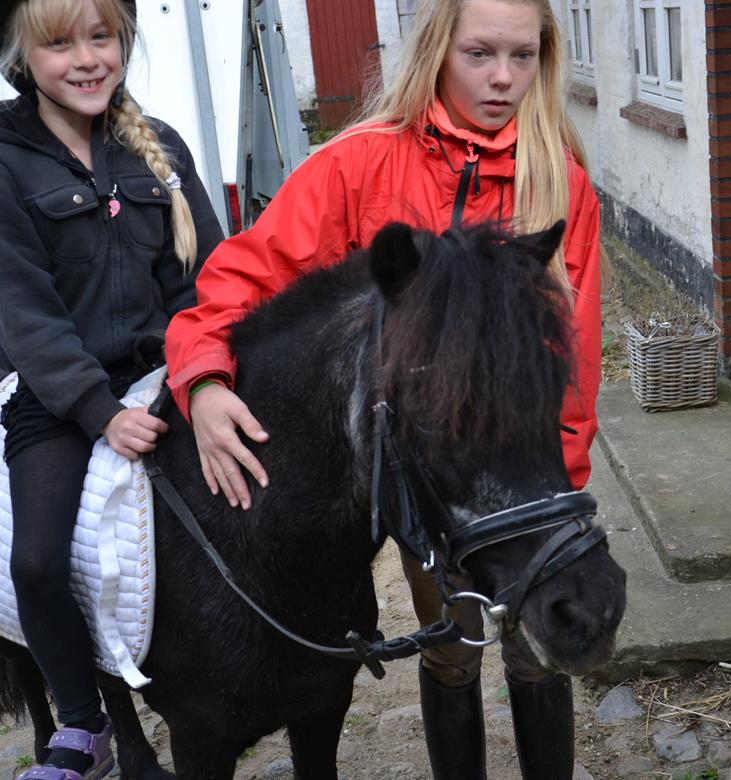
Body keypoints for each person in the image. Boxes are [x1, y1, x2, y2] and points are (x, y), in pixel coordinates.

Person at [164, 0, 601, 776]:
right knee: (453, 649)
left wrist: (551, 501)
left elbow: (577, 357)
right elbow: (237, 281)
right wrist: (201, 378)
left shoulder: (560, 184)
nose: (503, 77)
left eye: (523, 56)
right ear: (436, 50)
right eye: (479, 54)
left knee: (538, 652)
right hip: (432, 479)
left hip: (527, 485)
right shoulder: (358, 165)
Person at [0, 0, 223, 776]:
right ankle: (82, 723)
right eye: (59, 43)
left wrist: (205, 374)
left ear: (124, 41)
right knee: (39, 561)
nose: (85, 58)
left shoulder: (159, 148)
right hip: (63, 396)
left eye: (101, 36)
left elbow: (205, 279)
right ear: (20, 57)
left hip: (170, 374)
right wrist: (98, 411)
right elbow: (26, 312)